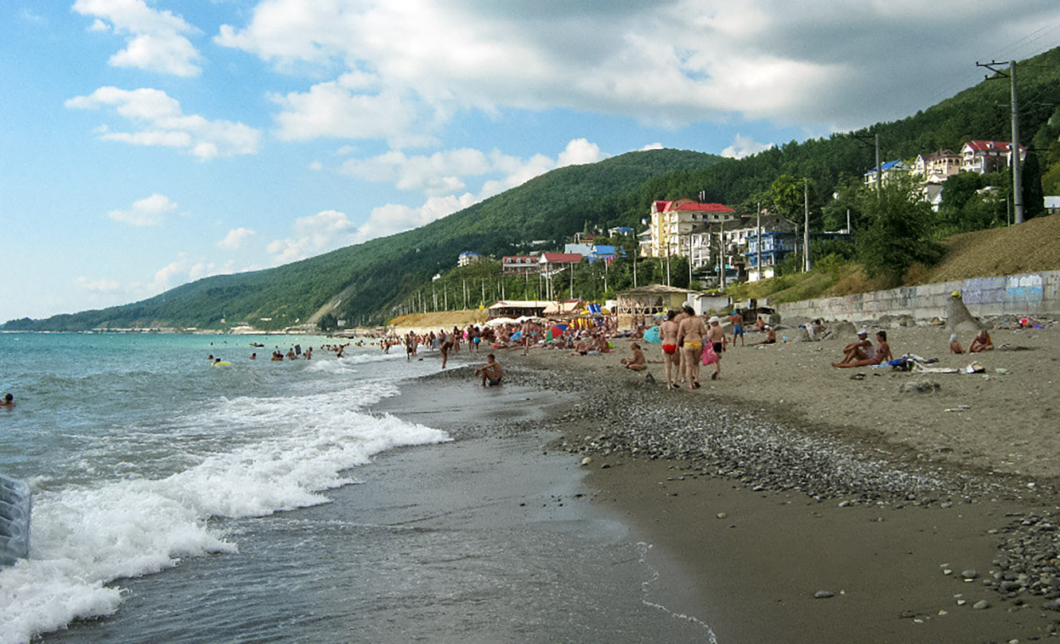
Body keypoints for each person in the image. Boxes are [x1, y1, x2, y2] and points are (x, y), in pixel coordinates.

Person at [677, 305, 707, 389]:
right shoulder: (699, 321)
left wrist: (677, 345)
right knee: (696, 363)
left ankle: (690, 384)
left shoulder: (683, 321)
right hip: (697, 342)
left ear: (686, 313)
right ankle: (696, 378)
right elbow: (703, 332)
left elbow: (679, 334)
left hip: (687, 342)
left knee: (688, 364)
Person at [659, 310, 681, 389]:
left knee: (667, 366)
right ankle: (674, 380)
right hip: (673, 344)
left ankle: (668, 385)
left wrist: (665, 337)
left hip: (665, 344)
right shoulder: (676, 325)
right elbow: (679, 337)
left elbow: (659, 336)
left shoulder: (662, 325)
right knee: (677, 365)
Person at [706, 316, 726, 380]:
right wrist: (724, 346)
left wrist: (706, 342)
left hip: (714, 343)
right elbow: (724, 337)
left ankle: (714, 370)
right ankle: (718, 375)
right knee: (717, 360)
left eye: (712, 323)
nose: (711, 324)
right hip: (719, 343)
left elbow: (710, 337)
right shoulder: (721, 328)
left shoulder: (713, 329)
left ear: (715, 322)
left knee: (712, 359)